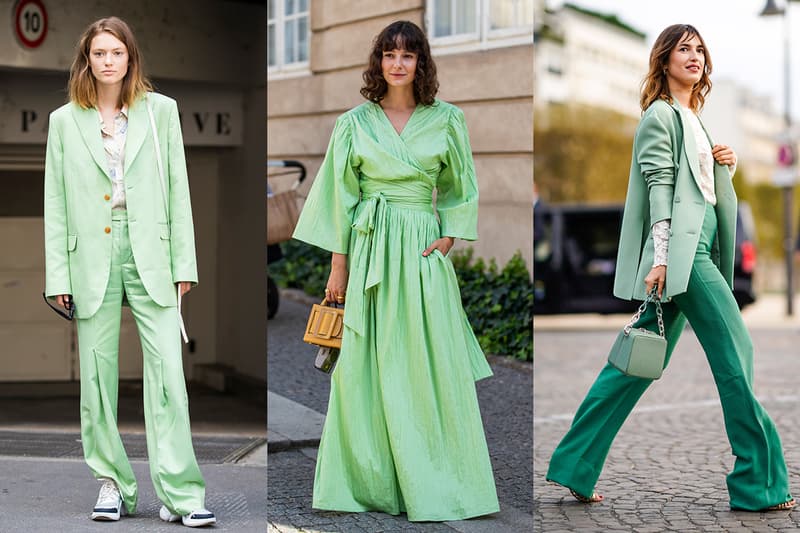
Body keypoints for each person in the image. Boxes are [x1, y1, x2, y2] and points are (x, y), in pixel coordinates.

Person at [546, 24, 795, 512]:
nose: (695, 55)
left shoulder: (693, 116)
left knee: (635, 365)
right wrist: (661, 260)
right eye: (684, 48)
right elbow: (660, 188)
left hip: (697, 247)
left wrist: (727, 161)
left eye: (700, 49)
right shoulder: (659, 116)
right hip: (683, 256)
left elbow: (699, 190)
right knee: (735, 353)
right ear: (663, 60)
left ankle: (575, 462)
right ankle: (757, 482)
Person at [292, 20, 499, 521]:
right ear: (378, 62)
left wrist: (447, 236)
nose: (397, 63)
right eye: (388, 54)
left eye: (407, 55)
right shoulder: (353, 123)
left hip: (421, 250)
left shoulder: (447, 119)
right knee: (366, 366)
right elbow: (340, 200)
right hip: (369, 252)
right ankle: (370, 482)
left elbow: (460, 186)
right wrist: (338, 267)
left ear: (421, 62)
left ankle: (436, 479)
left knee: (429, 364)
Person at [44, 17, 216, 527]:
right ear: (87, 60)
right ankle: (111, 484)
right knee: (96, 378)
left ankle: (181, 494)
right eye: (98, 53)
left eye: (116, 52)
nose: (107, 61)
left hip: (152, 253)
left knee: (168, 375)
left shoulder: (162, 112)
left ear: (130, 57)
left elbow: (177, 188)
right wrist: (57, 276)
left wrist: (184, 261)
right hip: (89, 258)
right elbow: (55, 201)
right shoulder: (62, 121)